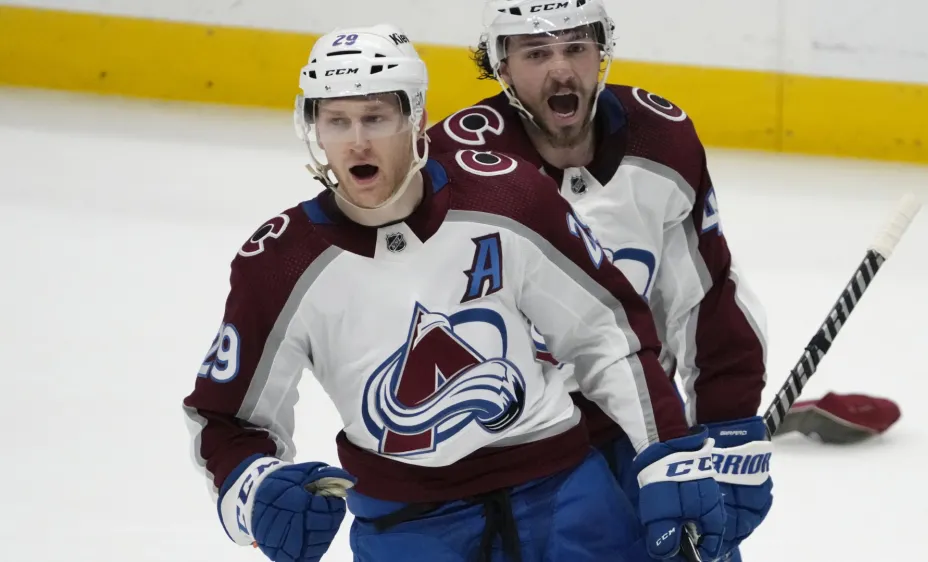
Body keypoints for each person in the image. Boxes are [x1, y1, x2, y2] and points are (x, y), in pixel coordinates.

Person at [181, 23, 744, 562]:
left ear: (416, 118)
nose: (355, 142)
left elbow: (606, 335)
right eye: (337, 121)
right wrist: (254, 490)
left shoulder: (510, 199)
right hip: (407, 525)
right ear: (314, 129)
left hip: (564, 496)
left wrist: (667, 453)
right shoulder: (279, 265)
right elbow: (226, 419)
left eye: (375, 117)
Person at [426, 1, 776, 559]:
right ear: (502, 66)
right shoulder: (453, 165)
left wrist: (730, 423)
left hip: (638, 425)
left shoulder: (660, 142)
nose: (561, 70)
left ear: (602, 53)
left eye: (575, 49)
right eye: (537, 53)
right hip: (510, 449)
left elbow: (704, 298)